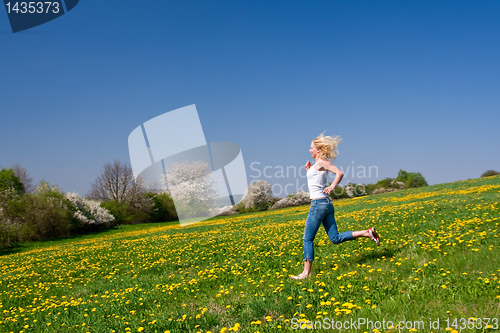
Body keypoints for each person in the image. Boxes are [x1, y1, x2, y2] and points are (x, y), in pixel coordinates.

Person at [290, 133, 380, 280]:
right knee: (335, 238)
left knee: (307, 239)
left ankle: (306, 273)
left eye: (311, 148)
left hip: (318, 204)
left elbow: (339, 173)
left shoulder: (322, 162)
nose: (309, 150)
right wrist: (309, 170)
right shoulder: (317, 165)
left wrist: (331, 187)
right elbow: (316, 181)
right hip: (326, 204)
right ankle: (367, 232)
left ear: (318, 149)